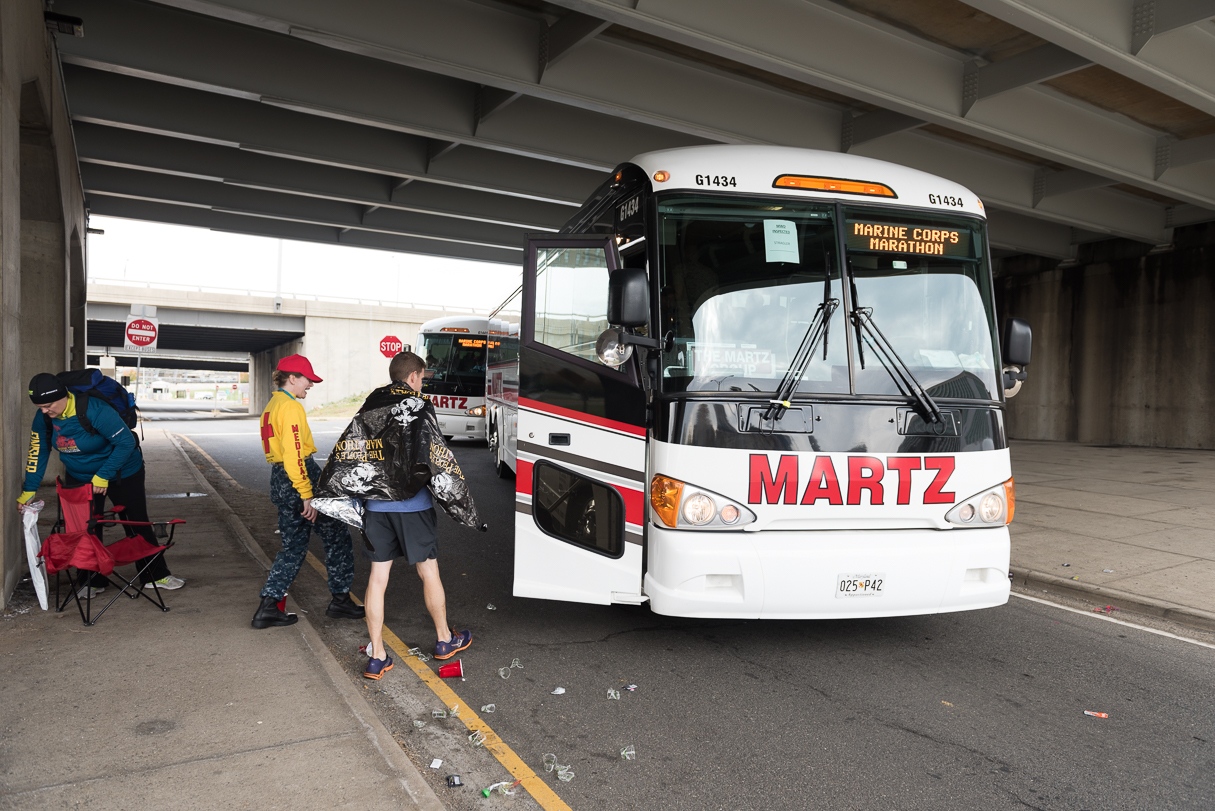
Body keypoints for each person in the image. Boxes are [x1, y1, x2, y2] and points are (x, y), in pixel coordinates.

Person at [18, 372, 183, 595]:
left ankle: (155, 575)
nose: (44, 411)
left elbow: (125, 443)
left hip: (122, 471)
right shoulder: (44, 418)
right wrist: (29, 489)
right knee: (85, 527)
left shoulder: (94, 409)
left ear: (64, 396)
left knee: (135, 522)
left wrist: (104, 474)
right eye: (39, 406)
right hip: (80, 475)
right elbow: (38, 452)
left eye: (48, 405)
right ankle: (92, 581)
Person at [361, 351, 471, 680]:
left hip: (376, 505)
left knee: (377, 580)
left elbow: (355, 452)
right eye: (421, 378)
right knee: (428, 572)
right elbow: (435, 453)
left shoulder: (370, 404)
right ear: (412, 377)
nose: (422, 384)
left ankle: (377, 656)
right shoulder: (420, 406)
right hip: (413, 507)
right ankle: (443, 640)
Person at [251, 354, 365, 629]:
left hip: (280, 478)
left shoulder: (272, 405)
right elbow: (294, 455)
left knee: (293, 547)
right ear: (292, 378)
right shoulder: (290, 408)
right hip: (299, 477)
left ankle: (268, 605)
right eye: (307, 380)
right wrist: (307, 494)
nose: (310, 385)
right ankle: (340, 600)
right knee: (337, 537)